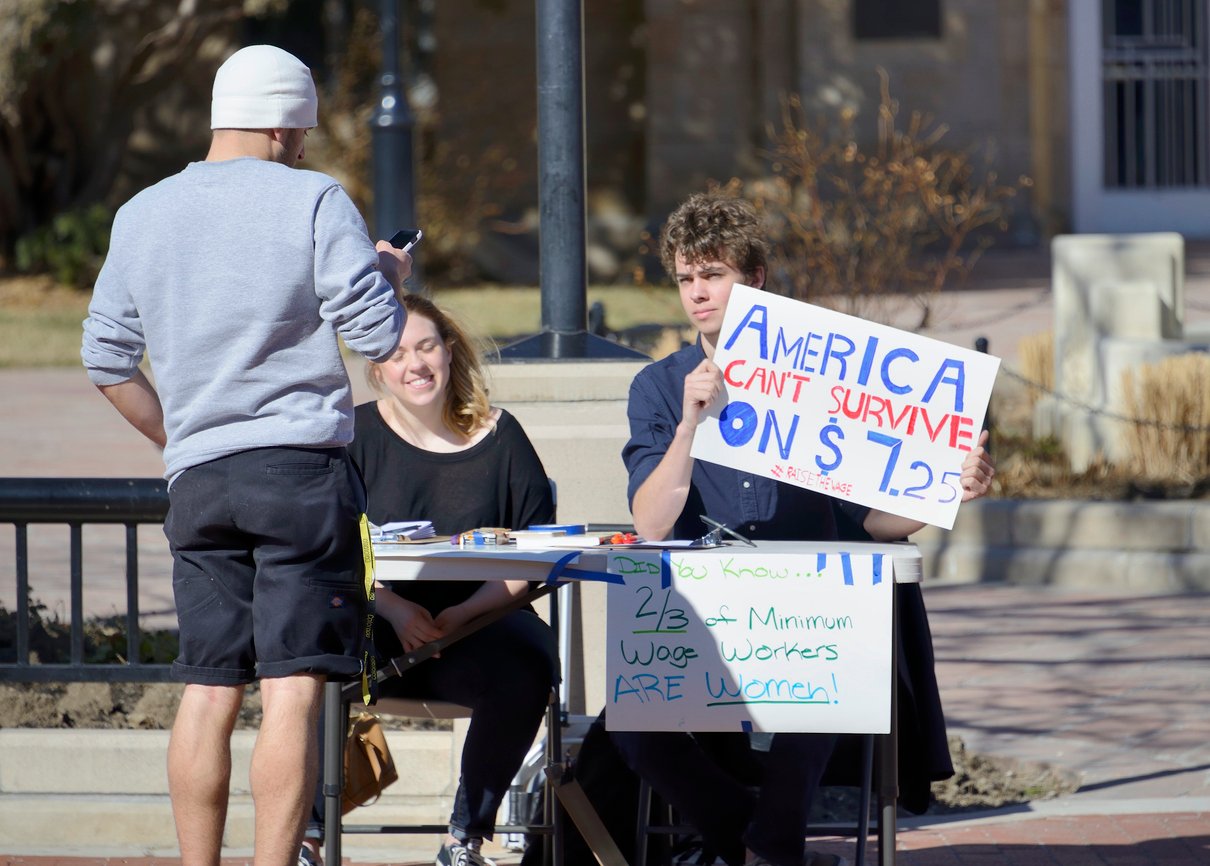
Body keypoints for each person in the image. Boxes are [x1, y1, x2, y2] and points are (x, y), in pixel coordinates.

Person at [80, 45, 411, 866]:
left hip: (200, 479)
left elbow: (105, 359)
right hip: (299, 470)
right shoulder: (314, 200)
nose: (304, 145)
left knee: (208, 688)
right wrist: (390, 279)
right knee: (292, 688)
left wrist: (178, 437)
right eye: (300, 131)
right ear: (279, 123)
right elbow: (378, 339)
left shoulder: (143, 212)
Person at [615, 192, 995, 866]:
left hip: (807, 609)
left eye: (714, 275)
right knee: (634, 729)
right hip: (703, 605)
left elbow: (876, 522)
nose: (698, 293)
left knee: (835, 679)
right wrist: (688, 425)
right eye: (686, 279)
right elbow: (650, 520)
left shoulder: (816, 379)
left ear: (754, 279)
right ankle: (763, 842)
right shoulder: (657, 385)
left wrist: (948, 490)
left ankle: (768, 843)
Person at [300, 293, 558, 866]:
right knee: (309, 649)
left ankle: (463, 839)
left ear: (449, 351)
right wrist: (391, 607)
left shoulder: (501, 436)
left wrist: (464, 615)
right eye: (395, 354)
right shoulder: (352, 436)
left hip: (480, 626)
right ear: (377, 370)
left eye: (425, 346)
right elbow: (324, 547)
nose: (414, 364)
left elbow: (536, 552)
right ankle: (309, 839)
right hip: (377, 629)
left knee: (530, 660)